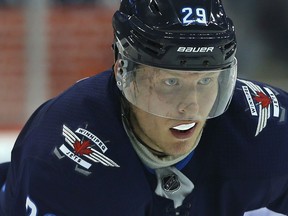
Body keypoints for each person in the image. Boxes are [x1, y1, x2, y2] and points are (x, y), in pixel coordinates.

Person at [1, 0, 288, 215]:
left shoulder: (265, 128)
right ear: (124, 73)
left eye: (205, 81)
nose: (190, 107)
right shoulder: (62, 162)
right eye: (171, 82)